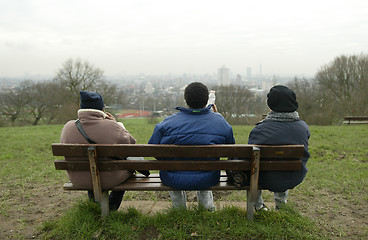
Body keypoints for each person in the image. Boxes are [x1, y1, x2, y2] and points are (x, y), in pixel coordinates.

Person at [148, 82, 235, 210]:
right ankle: (207, 208)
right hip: (208, 177)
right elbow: (230, 150)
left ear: (186, 99)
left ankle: (179, 210)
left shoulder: (167, 123)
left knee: (173, 167)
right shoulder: (220, 122)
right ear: (206, 100)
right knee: (206, 166)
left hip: (173, 177)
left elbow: (153, 149)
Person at [60, 91, 137, 211]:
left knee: (90, 168)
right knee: (130, 170)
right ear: (101, 108)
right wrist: (117, 124)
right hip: (108, 178)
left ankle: (95, 207)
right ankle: (111, 207)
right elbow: (131, 147)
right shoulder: (112, 127)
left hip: (78, 178)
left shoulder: (68, 127)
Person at [248, 85, 310, 211]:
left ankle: (258, 205)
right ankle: (281, 206)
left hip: (263, 178)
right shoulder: (303, 128)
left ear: (270, 105)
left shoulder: (260, 130)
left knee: (254, 166)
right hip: (293, 176)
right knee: (283, 168)